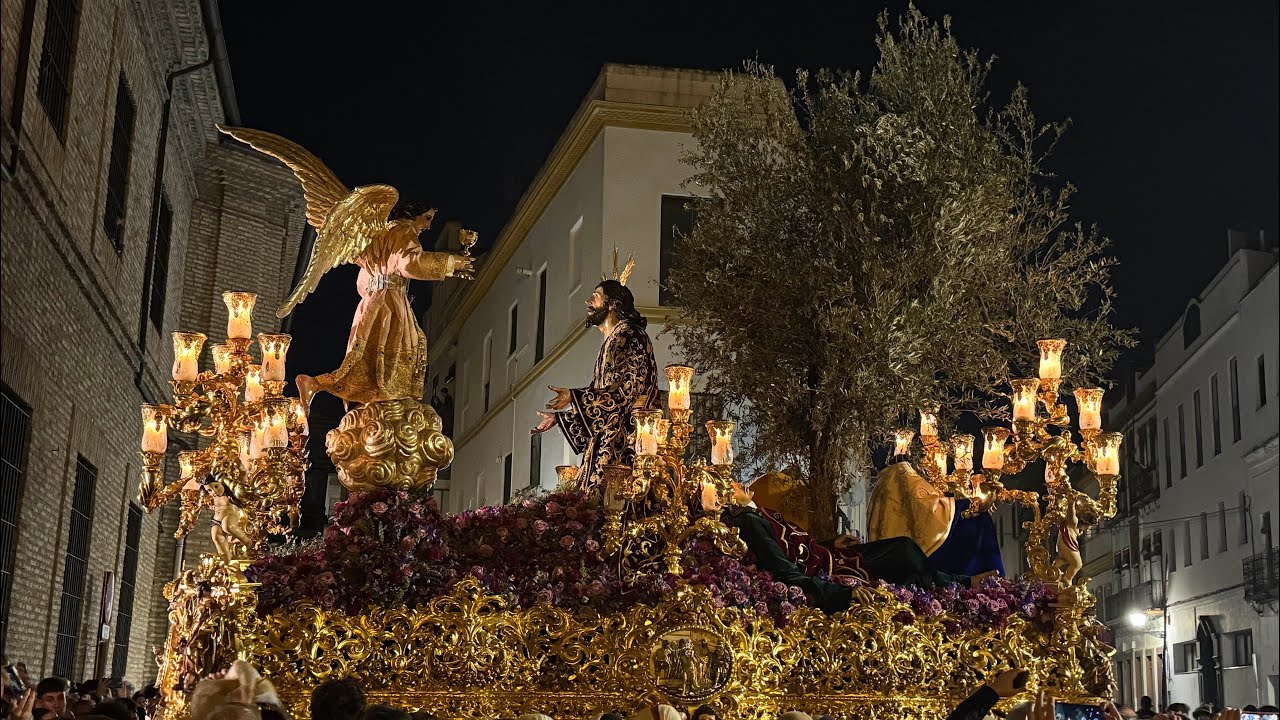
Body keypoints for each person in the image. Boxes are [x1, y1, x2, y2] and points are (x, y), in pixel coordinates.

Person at [718, 482, 992, 614]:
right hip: (827, 569)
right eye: (728, 484)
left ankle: (959, 583)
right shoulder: (749, 520)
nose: (737, 482)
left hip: (831, 554)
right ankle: (962, 584)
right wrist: (836, 592)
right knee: (904, 555)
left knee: (903, 548)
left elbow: (793, 543)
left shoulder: (757, 513)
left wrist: (829, 544)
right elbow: (782, 568)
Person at [532, 273, 659, 493]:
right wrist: (561, 418)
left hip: (628, 443)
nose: (589, 302)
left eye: (596, 296)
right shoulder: (612, 340)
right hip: (606, 440)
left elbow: (625, 391)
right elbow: (599, 392)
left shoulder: (630, 336)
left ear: (611, 305)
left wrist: (574, 397)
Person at [867, 460, 1004, 577]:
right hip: (926, 567)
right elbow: (928, 509)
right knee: (977, 519)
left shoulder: (881, 489)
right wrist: (965, 506)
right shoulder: (901, 474)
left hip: (886, 564)